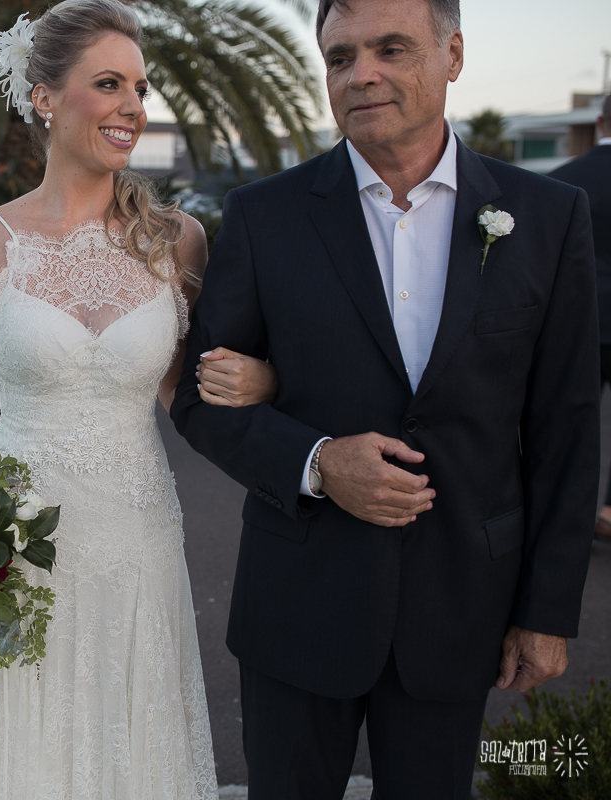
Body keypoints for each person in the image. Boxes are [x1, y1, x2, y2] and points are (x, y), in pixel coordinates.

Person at [170, 0, 599, 797]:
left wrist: (547, 607)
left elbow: (566, 427)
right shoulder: (265, 216)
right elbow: (200, 400)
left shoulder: (546, 217)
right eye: (340, 57)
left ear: (454, 54)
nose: (361, 74)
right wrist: (318, 463)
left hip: (462, 606)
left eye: (391, 49)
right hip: (298, 610)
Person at [0, 2, 278, 797]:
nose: (132, 107)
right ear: (45, 97)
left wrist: (264, 381)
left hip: (136, 537)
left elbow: (192, 387)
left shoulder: (176, 240)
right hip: (9, 547)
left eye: (140, 88)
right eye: (108, 83)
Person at [549, 94, 611, 542]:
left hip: (578, 320)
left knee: (566, 422)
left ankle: (566, 516)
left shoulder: (565, 181)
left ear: (599, 120)